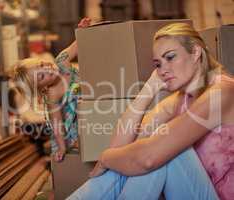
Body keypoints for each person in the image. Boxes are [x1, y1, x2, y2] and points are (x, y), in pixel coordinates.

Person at [68, 23, 234, 200]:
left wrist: (105, 157)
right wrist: (148, 88)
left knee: (165, 151)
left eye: (170, 57)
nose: (163, 70)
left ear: (195, 52)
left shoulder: (223, 92)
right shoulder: (180, 99)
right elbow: (120, 148)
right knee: (151, 148)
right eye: (158, 64)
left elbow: (147, 158)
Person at [8, 18, 91, 162]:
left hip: (90, 103)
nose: (47, 68)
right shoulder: (52, 94)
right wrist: (62, 147)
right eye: (41, 76)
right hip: (75, 124)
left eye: (41, 64)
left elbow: (78, 45)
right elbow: (57, 124)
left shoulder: (62, 61)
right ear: (43, 88)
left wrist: (82, 30)